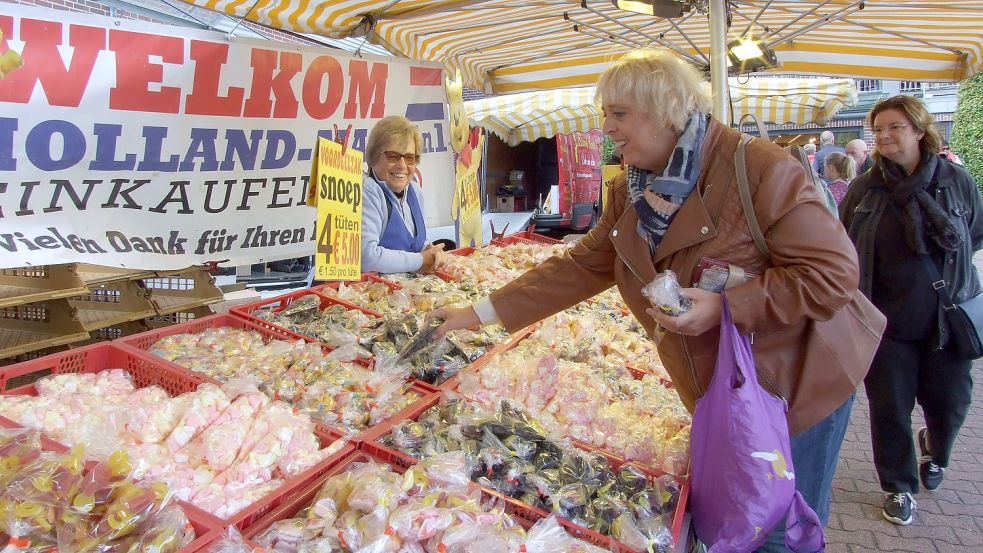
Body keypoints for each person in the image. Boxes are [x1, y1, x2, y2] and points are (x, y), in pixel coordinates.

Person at [431, 48, 868, 552]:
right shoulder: (630, 191)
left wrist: (727, 305)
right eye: (604, 114)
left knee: (772, 531)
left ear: (666, 110)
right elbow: (580, 266)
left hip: (791, 385)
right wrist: (476, 313)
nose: (607, 128)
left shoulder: (760, 169)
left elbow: (834, 274)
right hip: (722, 390)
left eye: (619, 114)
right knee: (735, 524)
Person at [840, 95, 983, 526]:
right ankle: (898, 486)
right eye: (877, 129)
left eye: (894, 127)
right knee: (888, 409)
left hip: (947, 319)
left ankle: (936, 448)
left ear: (920, 130)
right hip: (886, 325)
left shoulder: (957, 181)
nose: (883, 136)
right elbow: (845, 245)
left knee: (952, 404)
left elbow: (973, 234)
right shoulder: (865, 189)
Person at [361, 115, 446, 274]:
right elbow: (366, 258)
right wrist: (421, 260)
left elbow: (417, 243)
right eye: (392, 156)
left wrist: (432, 251)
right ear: (373, 157)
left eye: (409, 158)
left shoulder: (414, 190)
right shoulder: (366, 190)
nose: (402, 165)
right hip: (363, 294)